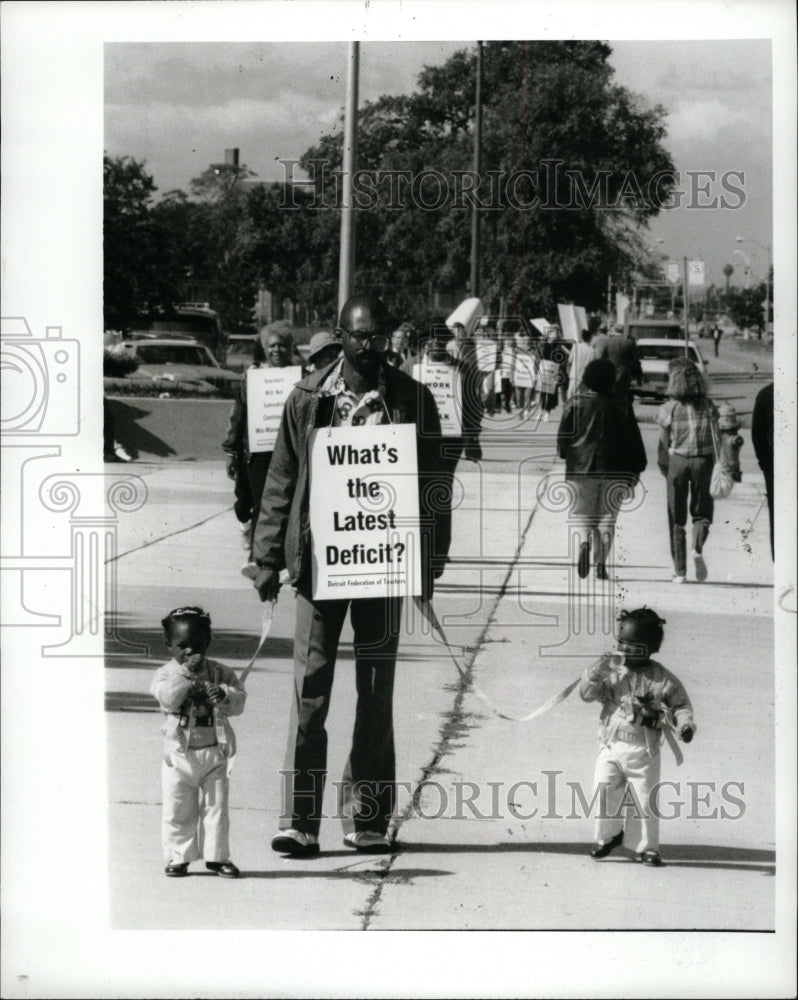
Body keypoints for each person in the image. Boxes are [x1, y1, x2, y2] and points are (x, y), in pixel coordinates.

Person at [252, 294, 450, 857]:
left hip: (383, 567)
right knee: (309, 691)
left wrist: (428, 562)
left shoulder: (412, 400)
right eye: (360, 335)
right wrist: (268, 558)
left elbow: (435, 485)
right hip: (319, 567)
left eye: (380, 334)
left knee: (374, 692)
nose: (371, 345)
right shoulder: (308, 398)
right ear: (340, 336)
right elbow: (281, 481)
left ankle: (366, 817)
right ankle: (299, 820)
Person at [579, 607, 695, 867]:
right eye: (621, 642)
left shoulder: (662, 679)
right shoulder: (611, 672)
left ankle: (647, 847)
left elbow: (680, 706)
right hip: (611, 744)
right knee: (604, 789)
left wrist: (685, 724)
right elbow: (586, 694)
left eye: (633, 645)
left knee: (645, 799)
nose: (624, 649)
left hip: (644, 749)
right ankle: (608, 836)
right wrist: (597, 669)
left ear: (651, 647)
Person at [150, 606, 246, 878]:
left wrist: (225, 695)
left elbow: (239, 701)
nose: (191, 652)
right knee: (178, 809)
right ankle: (178, 857)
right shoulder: (166, 674)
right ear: (168, 645)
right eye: (182, 646)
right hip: (178, 755)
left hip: (214, 753)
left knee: (216, 809)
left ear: (208, 642)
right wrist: (185, 675)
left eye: (198, 645)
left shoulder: (220, 672)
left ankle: (217, 857)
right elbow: (167, 698)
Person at [557, 359, 647, 580]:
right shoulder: (622, 404)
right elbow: (633, 439)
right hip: (615, 469)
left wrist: (566, 454)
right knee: (607, 518)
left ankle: (584, 542)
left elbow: (563, 439)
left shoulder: (574, 402)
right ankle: (600, 564)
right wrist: (636, 468)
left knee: (581, 515)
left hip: (580, 469)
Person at [222, 326, 300, 577]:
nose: (277, 350)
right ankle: (258, 559)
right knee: (260, 505)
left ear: (290, 348)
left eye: (282, 345)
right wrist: (231, 452)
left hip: (291, 453)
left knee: (290, 504)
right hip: (258, 453)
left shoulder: (301, 377)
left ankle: (288, 559)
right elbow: (238, 417)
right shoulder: (252, 379)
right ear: (264, 349)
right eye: (272, 346)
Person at [657, 358, 720, 584]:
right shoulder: (709, 406)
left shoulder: (668, 408)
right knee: (702, 512)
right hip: (703, 463)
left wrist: (664, 465)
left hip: (678, 462)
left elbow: (664, 443)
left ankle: (680, 571)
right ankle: (697, 547)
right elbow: (717, 438)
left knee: (676, 517)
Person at [591, 325, 645, 403]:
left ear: (614, 331)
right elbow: (635, 361)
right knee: (623, 396)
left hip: (611, 372)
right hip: (625, 373)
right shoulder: (629, 342)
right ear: (623, 331)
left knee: (611, 395)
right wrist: (639, 375)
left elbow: (603, 358)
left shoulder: (608, 341)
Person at [751, 382, 774, 559]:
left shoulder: (766, 394)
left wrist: (765, 463)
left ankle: (781, 565)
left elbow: (757, 434)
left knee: (777, 516)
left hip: (774, 466)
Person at [538, 327, 565, 421]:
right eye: (553, 333)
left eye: (556, 334)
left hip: (553, 371)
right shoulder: (544, 345)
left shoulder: (558, 346)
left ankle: (547, 413)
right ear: (549, 334)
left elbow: (561, 359)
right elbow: (540, 357)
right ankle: (541, 411)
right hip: (544, 370)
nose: (555, 335)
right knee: (543, 392)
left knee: (550, 393)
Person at [566, 327, 595, 399]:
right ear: (590, 338)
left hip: (573, 375)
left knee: (570, 396)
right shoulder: (592, 351)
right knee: (581, 398)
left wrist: (568, 371)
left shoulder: (575, 346)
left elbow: (569, 361)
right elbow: (591, 366)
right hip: (583, 377)